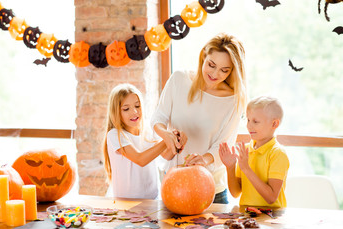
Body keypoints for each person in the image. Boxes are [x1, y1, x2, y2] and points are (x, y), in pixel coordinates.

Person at [151, 32, 248, 204]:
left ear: (232, 71)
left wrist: (203, 160)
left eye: (224, 70)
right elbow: (159, 117)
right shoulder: (179, 79)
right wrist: (166, 135)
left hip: (211, 189)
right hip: (174, 183)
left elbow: (223, 145)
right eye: (211, 65)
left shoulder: (233, 100)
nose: (215, 74)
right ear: (203, 56)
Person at [103, 83, 175, 199]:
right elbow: (140, 159)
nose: (134, 112)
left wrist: (175, 142)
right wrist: (167, 139)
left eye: (137, 106)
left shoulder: (148, 130)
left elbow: (166, 155)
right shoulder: (115, 135)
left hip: (153, 198)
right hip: (126, 202)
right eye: (126, 109)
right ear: (116, 112)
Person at [219, 96, 290, 207]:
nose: (249, 125)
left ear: (274, 124)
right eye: (248, 120)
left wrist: (246, 169)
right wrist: (230, 167)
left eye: (255, 122)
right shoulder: (246, 150)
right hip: (248, 216)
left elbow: (271, 197)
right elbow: (235, 192)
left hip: (271, 218)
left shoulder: (278, 153)